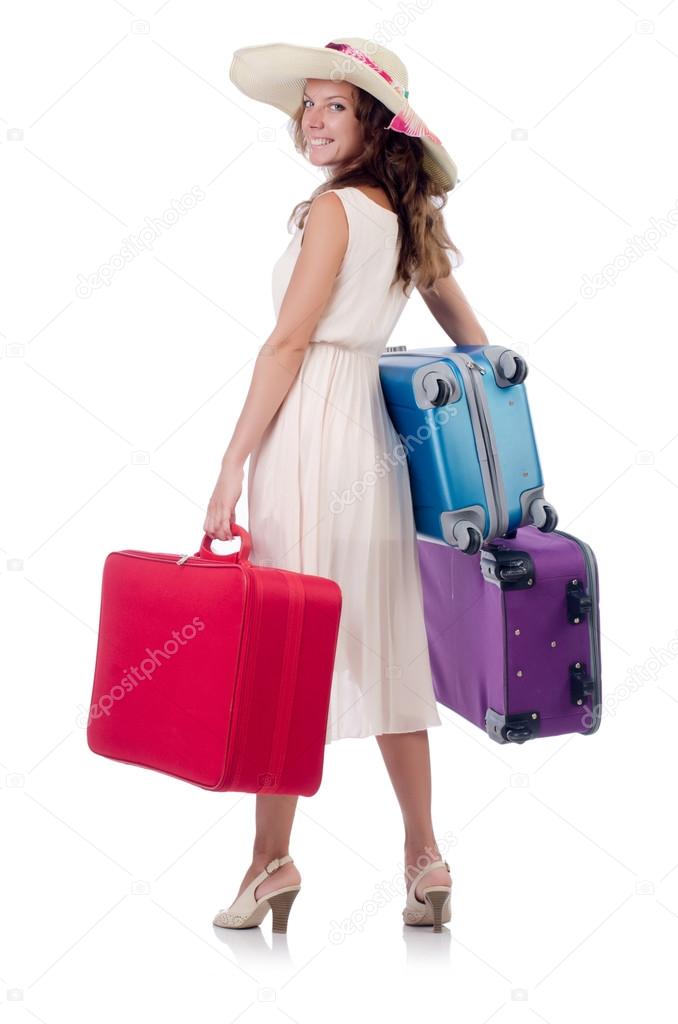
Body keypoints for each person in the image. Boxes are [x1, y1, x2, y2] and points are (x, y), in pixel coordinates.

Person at [205, 38, 489, 933]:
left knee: (286, 642)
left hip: (306, 433)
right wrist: (484, 377)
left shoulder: (333, 212)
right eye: (310, 105)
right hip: (373, 435)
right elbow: (466, 331)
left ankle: (269, 864)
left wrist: (231, 464)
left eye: (336, 105)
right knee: (381, 635)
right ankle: (424, 858)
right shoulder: (406, 218)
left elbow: (287, 345)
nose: (313, 120)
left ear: (374, 122)